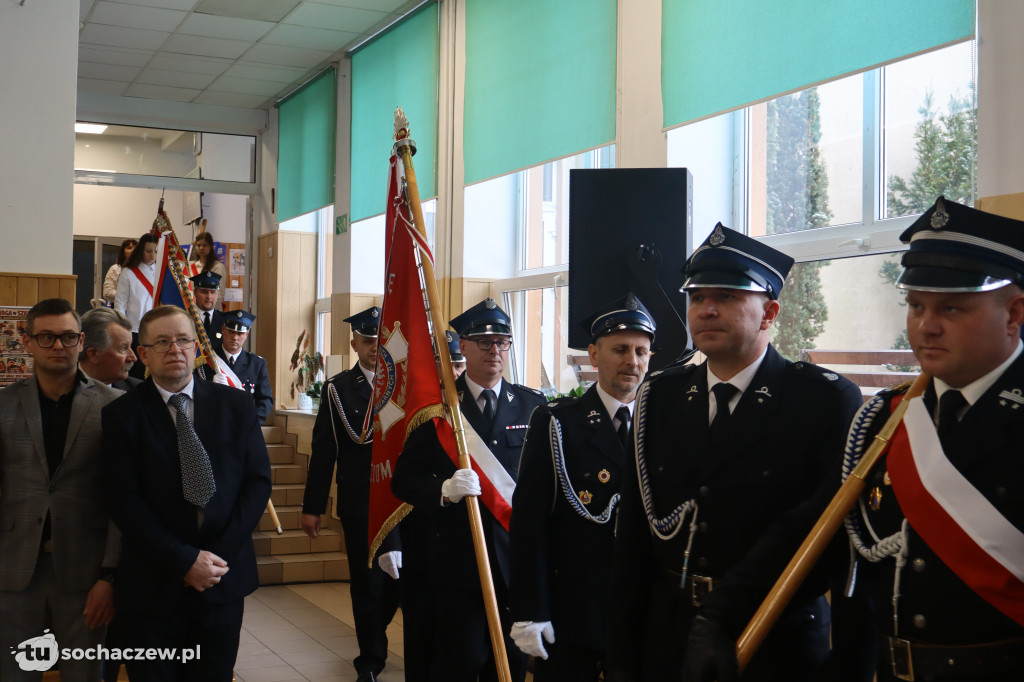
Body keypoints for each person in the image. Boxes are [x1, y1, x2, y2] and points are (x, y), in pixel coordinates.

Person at [605, 224, 862, 682]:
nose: (705, 310)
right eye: (697, 297)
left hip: (774, 638)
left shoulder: (822, 400)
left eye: (726, 297)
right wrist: (623, 659)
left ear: (769, 313)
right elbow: (634, 543)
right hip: (671, 634)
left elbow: (840, 548)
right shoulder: (660, 395)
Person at [838, 197, 1024, 681]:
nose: (927, 325)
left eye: (952, 307)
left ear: (1014, 313)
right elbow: (819, 523)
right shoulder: (887, 417)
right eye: (916, 306)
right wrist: (721, 614)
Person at [101, 305, 272, 681]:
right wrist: (183, 561)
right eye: (162, 342)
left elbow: (257, 482)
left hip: (221, 579)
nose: (175, 349)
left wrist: (213, 561)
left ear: (197, 347)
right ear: (143, 354)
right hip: (152, 585)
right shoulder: (121, 415)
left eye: (183, 340)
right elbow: (123, 500)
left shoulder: (237, 405)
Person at [392, 297, 547, 682]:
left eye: (503, 342)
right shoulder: (438, 409)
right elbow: (403, 480)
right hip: (457, 564)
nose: (495, 351)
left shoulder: (533, 406)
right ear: (462, 346)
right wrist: (442, 490)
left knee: (508, 665)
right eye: (484, 342)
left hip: (516, 564)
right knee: (460, 662)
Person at [510, 293, 655, 680]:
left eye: (642, 351)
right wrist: (531, 610)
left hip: (642, 610)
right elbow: (530, 524)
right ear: (593, 355)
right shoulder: (558, 423)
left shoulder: (661, 425)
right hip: (573, 608)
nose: (632, 361)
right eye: (620, 349)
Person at [0, 298, 120, 682]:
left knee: (83, 676)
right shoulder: (3, 406)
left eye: (67, 337)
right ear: (27, 341)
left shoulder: (113, 406)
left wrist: (110, 577)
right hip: (14, 570)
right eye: (47, 337)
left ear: (82, 341)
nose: (57, 346)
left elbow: (123, 500)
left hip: (85, 574)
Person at [301, 306, 400, 682]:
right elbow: (325, 451)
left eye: (381, 340)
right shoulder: (338, 389)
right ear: (355, 343)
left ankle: (381, 632)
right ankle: (370, 659)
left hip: (404, 501)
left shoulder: (405, 384)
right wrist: (313, 507)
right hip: (362, 503)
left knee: (403, 582)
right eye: (369, 340)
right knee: (367, 583)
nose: (376, 347)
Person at [216, 310, 273, 423]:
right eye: (231, 331)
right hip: (215, 426)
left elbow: (265, 400)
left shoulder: (256, 364)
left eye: (240, 333)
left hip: (243, 425)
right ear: (223, 330)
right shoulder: (208, 360)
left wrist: (251, 423)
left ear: (246, 334)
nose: (235, 337)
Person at [115, 232, 158, 379]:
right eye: (148, 251)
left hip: (157, 330)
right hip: (134, 330)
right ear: (141, 251)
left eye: (156, 251)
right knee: (137, 373)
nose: (153, 255)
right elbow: (120, 304)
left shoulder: (163, 273)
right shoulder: (128, 273)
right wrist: (122, 330)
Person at [80, 307, 140, 390]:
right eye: (123, 348)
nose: (133, 358)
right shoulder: (60, 390)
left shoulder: (139, 392)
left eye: (130, 346)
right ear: (93, 354)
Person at [191, 270, 225, 353]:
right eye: (204, 292)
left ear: (217, 294)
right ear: (195, 292)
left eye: (213, 292)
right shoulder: (187, 318)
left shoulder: (225, 320)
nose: (209, 297)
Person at [102, 238, 137, 304]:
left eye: (135, 249)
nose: (132, 251)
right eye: (129, 248)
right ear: (123, 252)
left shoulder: (142, 270)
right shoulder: (115, 269)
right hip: (117, 307)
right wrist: (128, 295)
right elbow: (107, 293)